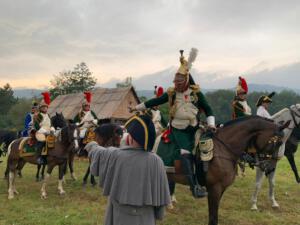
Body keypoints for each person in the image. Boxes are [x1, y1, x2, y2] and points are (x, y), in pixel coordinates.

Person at [131, 48, 215, 198]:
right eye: (175, 82)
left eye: (179, 82)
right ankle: (194, 187)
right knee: (185, 152)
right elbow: (155, 101)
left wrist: (212, 123)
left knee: (207, 146)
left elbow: (208, 109)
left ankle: (206, 177)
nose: (176, 85)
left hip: (194, 127)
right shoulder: (172, 93)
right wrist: (136, 107)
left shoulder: (196, 93)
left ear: (186, 80)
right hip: (178, 129)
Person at [85, 115, 170, 225]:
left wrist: (92, 144)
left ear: (131, 138)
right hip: (146, 219)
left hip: (118, 217)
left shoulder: (116, 155)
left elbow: (98, 152)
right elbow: (161, 196)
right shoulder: (158, 161)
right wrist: (159, 215)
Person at [34, 92, 54, 165]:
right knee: (42, 141)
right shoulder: (38, 115)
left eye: (46, 107)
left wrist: (52, 129)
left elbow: (51, 124)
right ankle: (38, 157)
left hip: (48, 131)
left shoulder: (48, 115)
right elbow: (36, 126)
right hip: (39, 132)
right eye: (43, 107)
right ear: (40, 108)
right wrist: (44, 131)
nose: (45, 108)